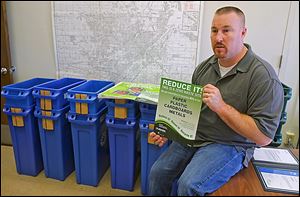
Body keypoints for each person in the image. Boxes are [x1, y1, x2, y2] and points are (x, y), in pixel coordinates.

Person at [148, 6, 284, 196]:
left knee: (188, 185)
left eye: (226, 30)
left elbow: (264, 137)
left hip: (231, 143)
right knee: (157, 174)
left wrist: (221, 107)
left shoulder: (263, 77)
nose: (218, 37)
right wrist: (169, 131)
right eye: (214, 31)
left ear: (243, 33)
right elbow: (191, 115)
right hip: (196, 137)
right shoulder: (204, 68)